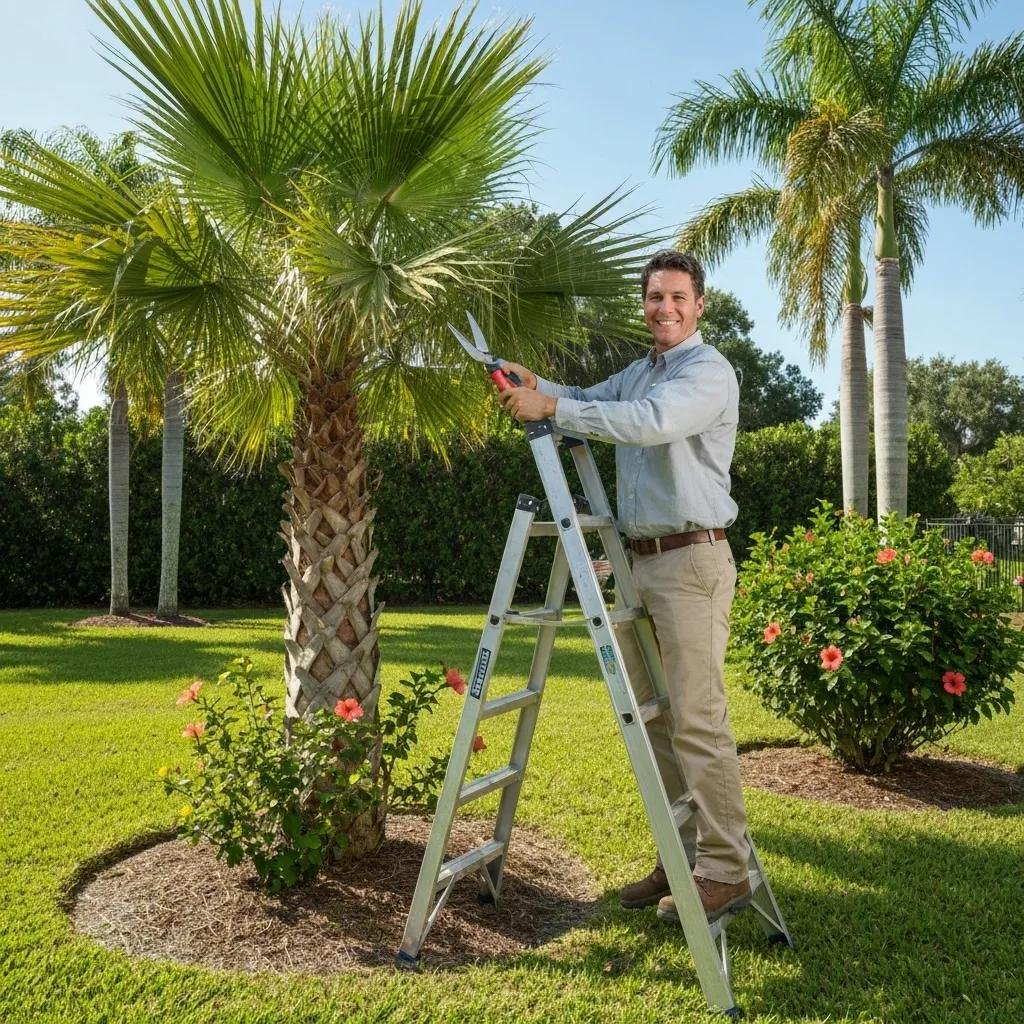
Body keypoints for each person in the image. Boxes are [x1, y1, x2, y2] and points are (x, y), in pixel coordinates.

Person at [497, 249, 751, 923]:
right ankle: (683, 858)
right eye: (654, 297)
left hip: (692, 564)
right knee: (658, 719)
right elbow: (593, 400)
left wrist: (549, 405)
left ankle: (727, 870)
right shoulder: (641, 371)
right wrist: (538, 381)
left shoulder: (707, 373)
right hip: (638, 563)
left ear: (699, 305)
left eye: (676, 297)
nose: (663, 307)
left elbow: (649, 422)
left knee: (698, 719)